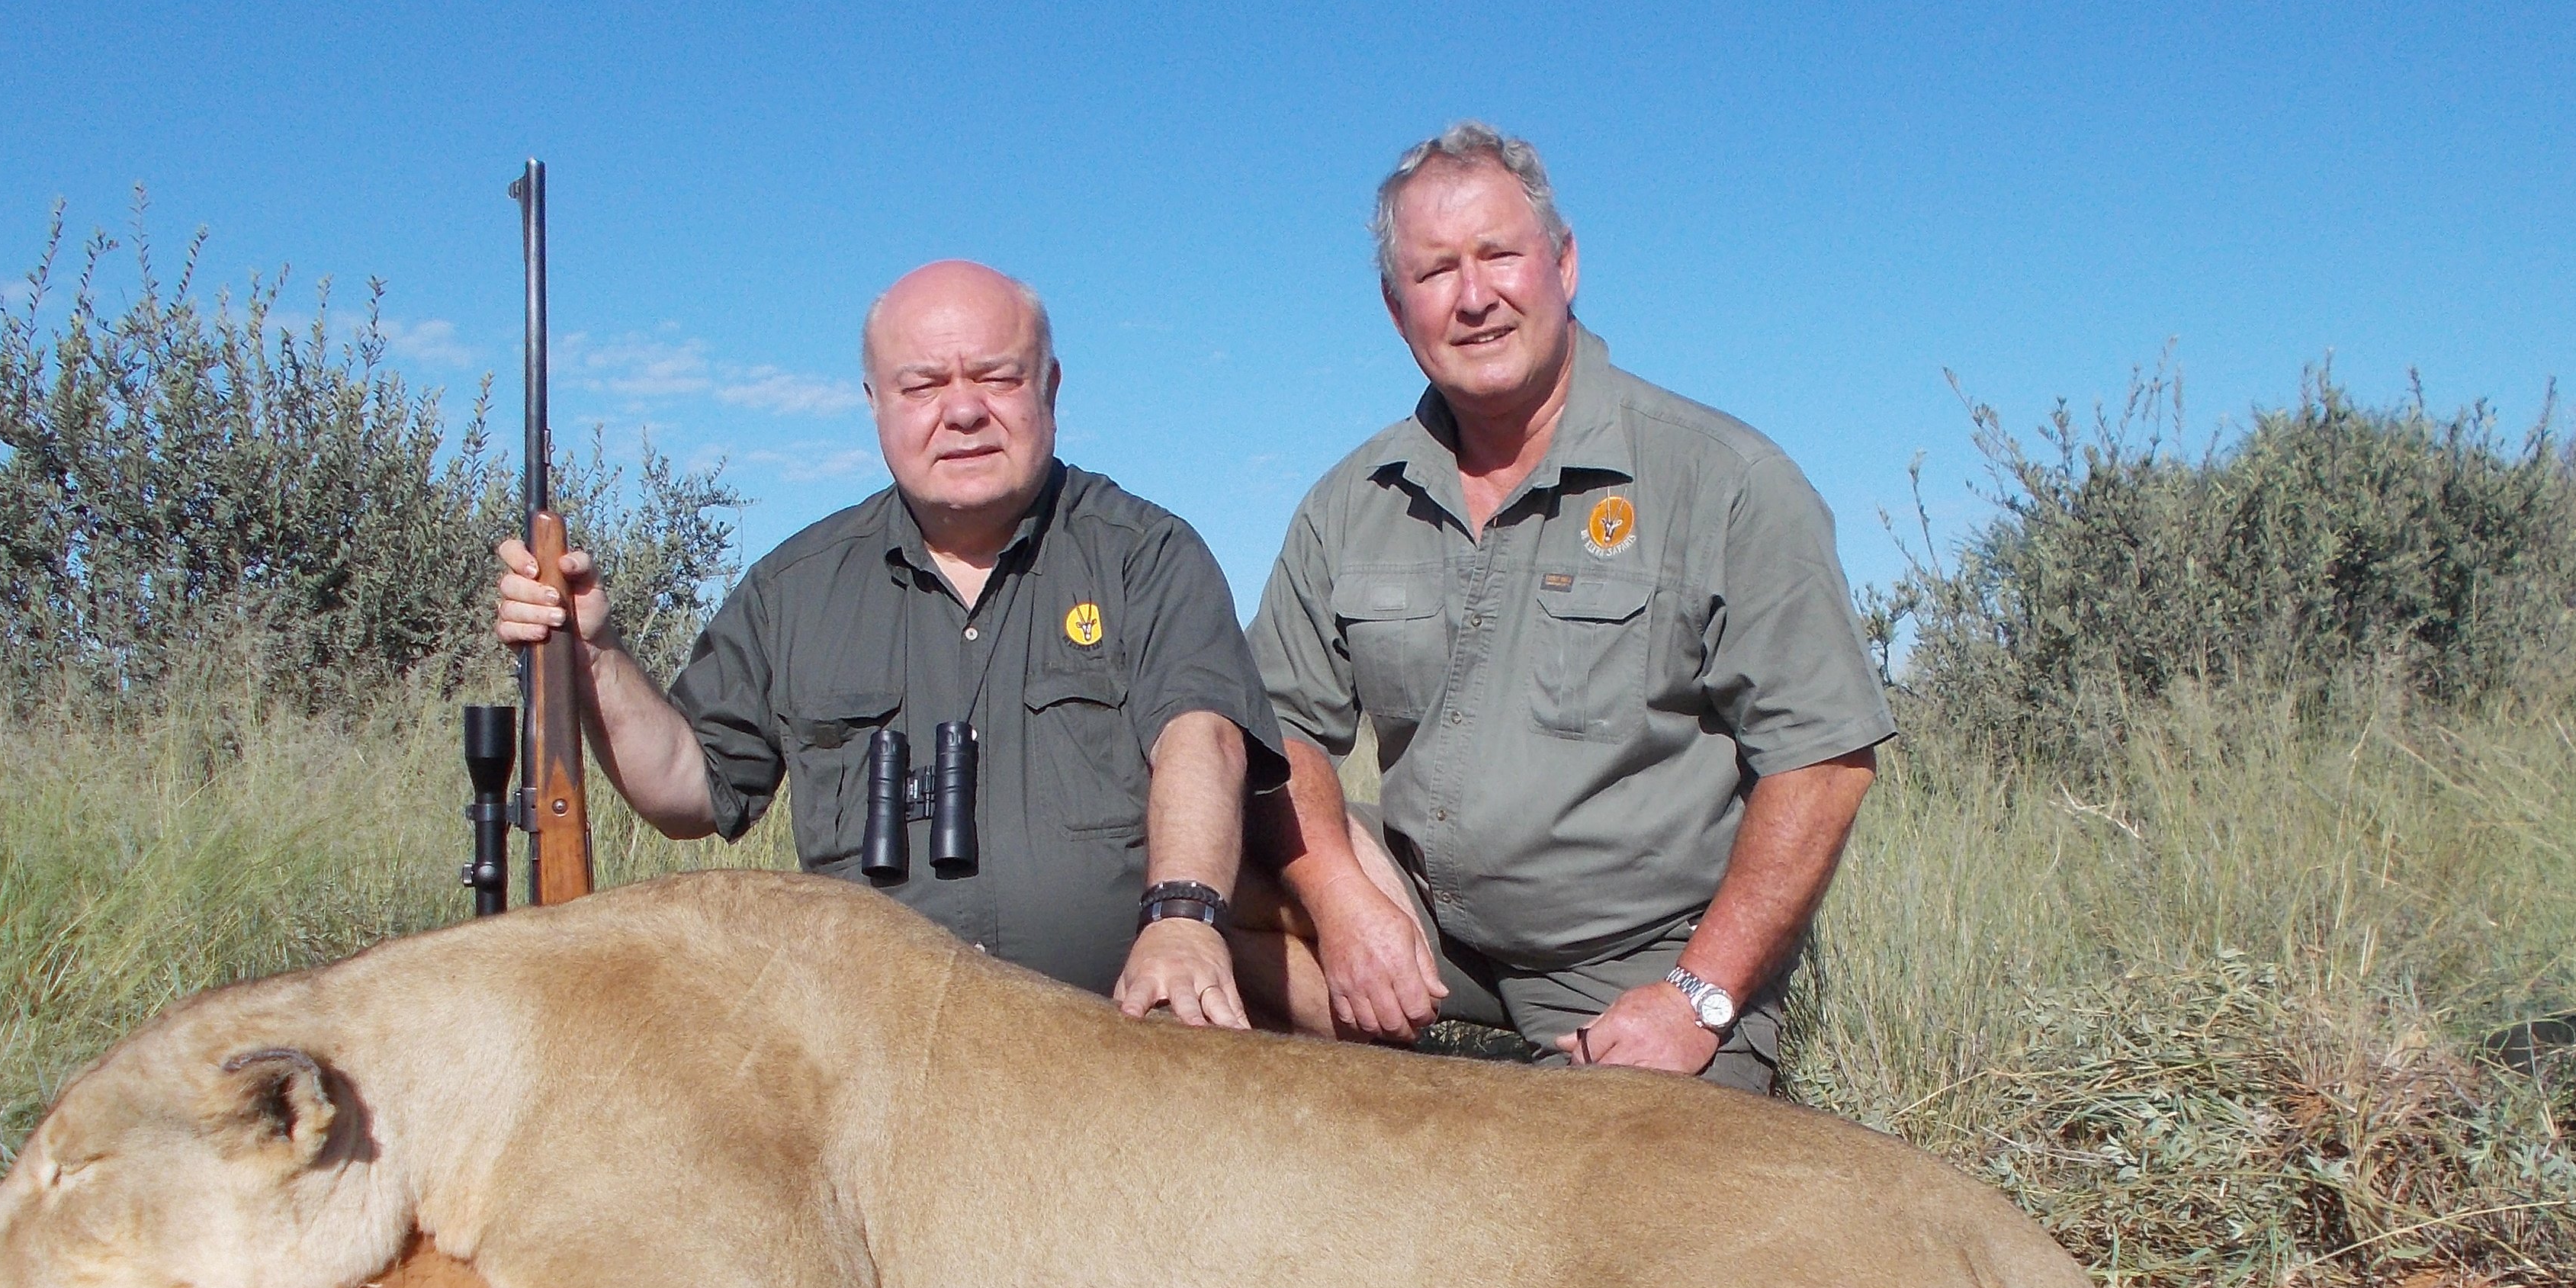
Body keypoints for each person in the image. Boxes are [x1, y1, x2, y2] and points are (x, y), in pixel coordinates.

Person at [1241, 125, 1892, 1095]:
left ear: (1564, 262)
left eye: (1498, 255)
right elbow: (1278, 727)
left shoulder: (1725, 480)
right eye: (1433, 272)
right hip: (1423, 913)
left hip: (1637, 954)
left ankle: (1503, 1092)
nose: (1473, 297)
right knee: (1154, 881)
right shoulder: (1352, 501)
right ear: (1395, 308)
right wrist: (1340, 900)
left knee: (1635, 1219)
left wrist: (1694, 999)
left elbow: (1825, 764)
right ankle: (1393, 1080)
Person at [496, 260, 1279, 1026]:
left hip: (1109, 1038)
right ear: (876, 403)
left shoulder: (1144, 555)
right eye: (924, 385)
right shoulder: (793, 588)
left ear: (1050, 387)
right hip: (876, 1064)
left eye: (997, 377)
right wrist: (594, 655)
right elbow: (687, 789)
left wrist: (1182, 920)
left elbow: (1202, 739)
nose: (963, 411)